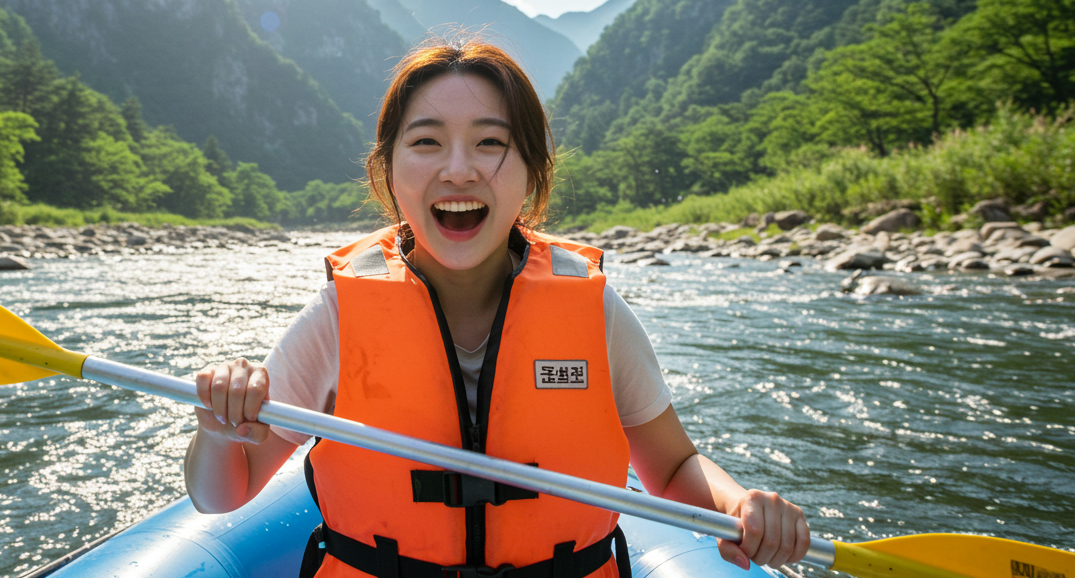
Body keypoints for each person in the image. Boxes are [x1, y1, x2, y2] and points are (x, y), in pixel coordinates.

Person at [183, 40, 810, 577]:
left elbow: (672, 468)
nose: (459, 170)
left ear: (532, 174)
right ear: (390, 173)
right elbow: (223, 493)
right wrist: (217, 427)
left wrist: (738, 505)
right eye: (426, 142)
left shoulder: (595, 312)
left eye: (491, 143)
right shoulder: (339, 318)